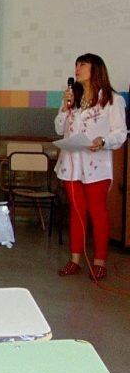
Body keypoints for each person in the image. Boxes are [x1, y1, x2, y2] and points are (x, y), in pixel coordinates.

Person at [55, 53, 127, 280]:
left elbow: (120, 133)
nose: (77, 68)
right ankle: (75, 258)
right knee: (76, 212)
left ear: (95, 69)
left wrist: (103, 141)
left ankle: (99, 261)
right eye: (76, 64)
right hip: (71, 163)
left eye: (82, 65)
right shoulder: (72, 98)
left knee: (97, 212)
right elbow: (58, 128)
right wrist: (66, 108)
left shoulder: (112, 100)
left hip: (95, 165)